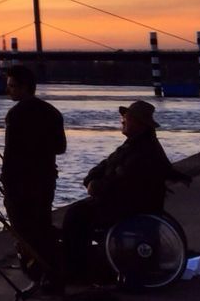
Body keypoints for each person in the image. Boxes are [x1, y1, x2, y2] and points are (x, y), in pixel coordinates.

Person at [62, 100, 190, 282]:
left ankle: (76, 268)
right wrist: (91, 180)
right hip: (121, 201)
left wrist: (96, 186)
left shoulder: (144, 151)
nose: (122, 120)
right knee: (78, 212)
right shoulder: (132, 145)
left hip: (133, 206)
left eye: (126, 118)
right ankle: (79, 263)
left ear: (139, 123)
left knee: (77, 215)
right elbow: (104, 166)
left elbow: (122, 183)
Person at [1, 65, 66, 292]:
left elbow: (10, 155)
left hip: (20, 184)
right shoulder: (52, 112)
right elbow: (61, 147)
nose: (7, 90)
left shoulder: (15, 115)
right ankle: (52, 274)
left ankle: (38, 277)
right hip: (46, 181)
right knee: (42, 228)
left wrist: (6, 183)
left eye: (11, 86)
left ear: (24, 87)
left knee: (24, 233)